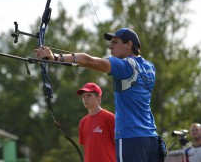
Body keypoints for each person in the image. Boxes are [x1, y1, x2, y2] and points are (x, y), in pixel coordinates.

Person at [35, 28, 163, 161]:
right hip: (151, 138)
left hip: (130, 138)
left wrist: (55, 57)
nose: (110, 46)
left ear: (129, 44)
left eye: (115, 42)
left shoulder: (126, 66)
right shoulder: (149, 67)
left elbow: (89, 61)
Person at [77, 82, 115, 162]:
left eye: (89, 95)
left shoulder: (110, 118)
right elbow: (87, 148)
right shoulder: (82, 122)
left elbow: (120, 145)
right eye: (83, 96)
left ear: (98, 97)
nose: (85, 99)